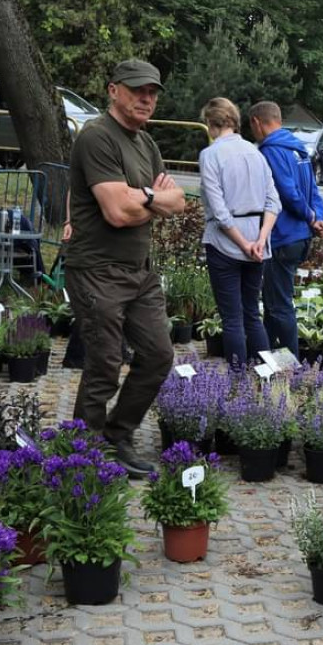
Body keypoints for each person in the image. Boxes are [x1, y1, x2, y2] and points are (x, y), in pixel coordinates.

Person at [64, 59, 185, 478]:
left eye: (152, 92)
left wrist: (143, 197)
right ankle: (83, 452)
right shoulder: (97, 137)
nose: (146, 98)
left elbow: (179, 203)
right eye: (137, 90)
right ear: (114, 90)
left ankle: (118, 433)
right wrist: (153, 200)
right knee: (104, 364)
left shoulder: (145, 144)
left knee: (158, 356)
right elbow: (116, 212)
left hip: (139, 271)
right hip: (97, 270)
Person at [198, 97, 281, 368]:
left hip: (226, 243)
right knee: (252, 315)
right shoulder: (256, 153)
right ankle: (265, 378)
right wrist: (260, 239)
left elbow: (219, 211)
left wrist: (244, 243)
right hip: (257, 242)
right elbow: (274, 202)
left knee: (232, 319)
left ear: (211, 123)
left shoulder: (210, 155)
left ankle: (237, 385)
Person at [248, 101, 323, 356]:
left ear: (257, 123)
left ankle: (293, 366)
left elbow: (287, 193)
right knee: (273, 302)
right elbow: (313, 191)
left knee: (279, 304)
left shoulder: (271, 151)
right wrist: (317, 218)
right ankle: (265, 357)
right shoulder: (299, 150)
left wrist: (308, 216)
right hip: (300, 237)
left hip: (281, 237)